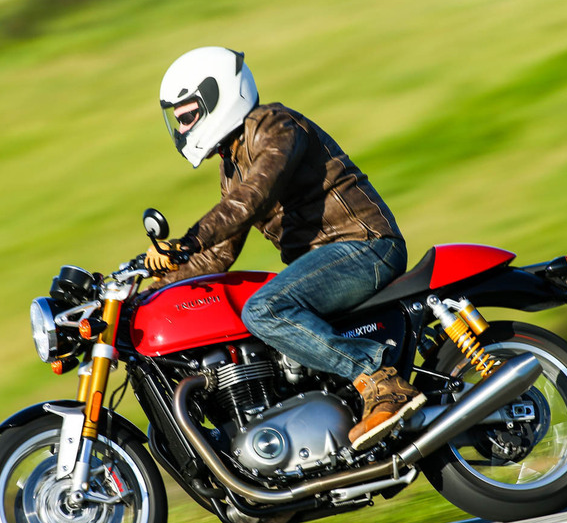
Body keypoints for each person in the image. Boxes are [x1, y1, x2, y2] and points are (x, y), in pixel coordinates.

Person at [146, 46, 425, 451]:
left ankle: (380, 381)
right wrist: (149, 290)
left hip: (363, 246)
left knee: (264, 309)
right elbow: (219, 255)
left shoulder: (275, 126)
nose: (183, 128)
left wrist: (189, 239)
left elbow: (254, 196)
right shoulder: (231, 167)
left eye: (188, 116)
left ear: (219, 95)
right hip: (324, 263)